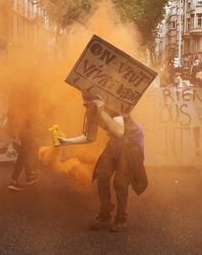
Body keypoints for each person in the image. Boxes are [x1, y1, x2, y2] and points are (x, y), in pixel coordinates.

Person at [59, 93, 148, 232]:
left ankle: (121, 217)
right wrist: (66, 142)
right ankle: (105, 213)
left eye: (89, 102)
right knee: (102, 175)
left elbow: (119, 131)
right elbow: (90, 137)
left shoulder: (114, 107)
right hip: (115, 143)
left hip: (130, 145)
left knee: (120, 182)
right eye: (84, 103)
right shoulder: (91, 112)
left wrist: (102, 112)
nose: (86, 105)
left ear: (98, 100)